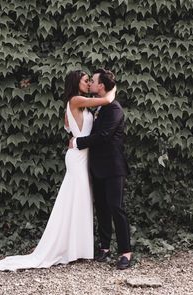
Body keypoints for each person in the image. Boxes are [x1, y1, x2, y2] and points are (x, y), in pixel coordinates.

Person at [0, 70, 115, 271]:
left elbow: (70, 126)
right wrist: (113, 87)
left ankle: (77, 248)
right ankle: (69, 248)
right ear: (77, 82)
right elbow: (108, 100)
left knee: (79, 200)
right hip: (77, 158)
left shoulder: (77, 103)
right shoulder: (76, 100)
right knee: (75, 199)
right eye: (86, 81)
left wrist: (74, 134)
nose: (88, 83)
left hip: (81, 155)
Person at [69, 69, 132, 270]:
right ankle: (104, 248)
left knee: (116, 207)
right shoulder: (96, 108)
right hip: (96, 166)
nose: (90, 84)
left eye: (93, 81)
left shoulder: (114, 108)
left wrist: (78, 142)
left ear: (101, 86)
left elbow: (104, 135)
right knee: (102, 209)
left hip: (113, 167)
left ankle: (126, 252)